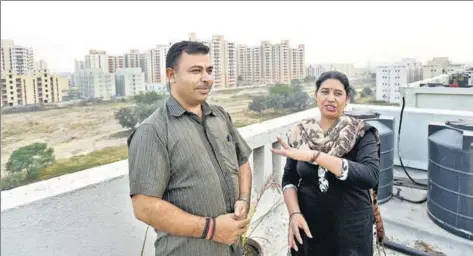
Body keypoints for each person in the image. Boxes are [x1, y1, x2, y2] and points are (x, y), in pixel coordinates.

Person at [127, 41, 253, 256]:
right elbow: (145, 207)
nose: (206, 78)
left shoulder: (219, 115)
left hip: (233, 249)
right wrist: (212, 229)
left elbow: (242, 162)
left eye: (209, 70)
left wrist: (243, 199)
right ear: (171, 74)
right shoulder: (153, 130)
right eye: (196, 71)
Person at [271, 71, 385, 256]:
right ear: (316, 95)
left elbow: (369, 176)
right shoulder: (301, 133)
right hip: (308, 224)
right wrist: (294, 214)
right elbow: (289, 179)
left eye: (338, 93)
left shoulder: (361, 132)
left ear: (346, 98)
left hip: (350, 228)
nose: (330, 98)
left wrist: (316, 156)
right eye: (325, 92)